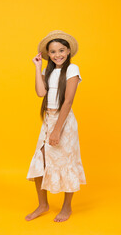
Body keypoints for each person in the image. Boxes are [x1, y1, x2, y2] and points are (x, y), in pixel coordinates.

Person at [25, 30, 87, 223]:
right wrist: (37, 67)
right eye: (53, 52)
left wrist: (57, 130)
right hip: (48, 120)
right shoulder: (48, 71)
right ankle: (43, 204)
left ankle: (67, 207)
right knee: (40, 161)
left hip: (64, 121)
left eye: (61, 50)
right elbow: (40, 93)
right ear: (48, 55)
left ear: (68, 51)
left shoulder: (72, 69)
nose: (57, 54)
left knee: (67, 163)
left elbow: (68, 102)